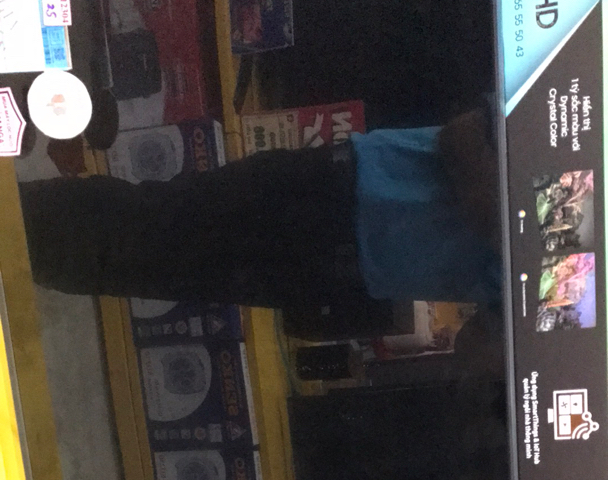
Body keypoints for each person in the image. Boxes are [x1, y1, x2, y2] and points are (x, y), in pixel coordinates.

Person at [20, 108, 500, 340]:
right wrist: (498, 220)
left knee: (148, 272)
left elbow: (483, 341)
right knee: (150, 219)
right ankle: (14, 222)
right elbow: (464, 134)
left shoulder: (552, 294)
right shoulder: (546, 154)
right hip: (330, 189)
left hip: (334, 274)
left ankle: (17, 264)